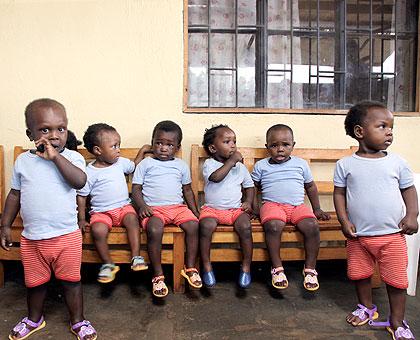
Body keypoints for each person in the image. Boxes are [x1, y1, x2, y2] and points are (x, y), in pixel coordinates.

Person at [0, 98, 97, 340]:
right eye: (45, 129)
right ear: (30, 133)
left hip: (66, 236)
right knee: (34, 283)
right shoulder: (24, 161)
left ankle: (78, 321)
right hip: (33, 238)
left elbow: (80, 181)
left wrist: (55, 157)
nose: (54, 135)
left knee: (71, 282)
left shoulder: (72, 158)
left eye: (60, 129)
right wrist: (5, 224)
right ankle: (34, 319)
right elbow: (14, 194)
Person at [333, 101, 418, 340]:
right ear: (360, 132)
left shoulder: (397, 162)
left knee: (397, 280)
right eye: (382, 126)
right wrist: (343, 220)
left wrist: (412, 215)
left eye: (391, 127)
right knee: (360, 274)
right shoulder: (345, 164)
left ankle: (397, 321)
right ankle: (367, 308)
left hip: (392, 236)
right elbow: (339, 194)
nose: (389, 131)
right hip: (358, 236)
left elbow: (409, 190)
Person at [251, 124, 330, 291]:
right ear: (267, 147)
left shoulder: (300, 164)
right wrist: (254, 208)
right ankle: (277, 268)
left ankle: (310, 269)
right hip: (272, 206)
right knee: (273, 226)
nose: (280, 149)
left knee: (312, 225)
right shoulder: (261, 166)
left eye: (285, 145)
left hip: (296, 206)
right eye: (274, 145)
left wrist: (317, 209)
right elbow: (252, 188)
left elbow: (310, 187)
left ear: (293, 145)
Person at [131, 120, 202, 297]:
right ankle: (157, 275)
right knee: (154, 229)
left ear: (177, 148)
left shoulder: (181, 165)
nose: (163, 148)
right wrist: (142, 207)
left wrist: (194, 211)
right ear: (153, 142)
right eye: (159, 143)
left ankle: (190, 267)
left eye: (169, 145)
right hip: (154, 209)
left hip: (178, 208)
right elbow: (136, 189)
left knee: (193, 225)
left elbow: (187, 190)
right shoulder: (145, 164)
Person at [77, 123, 148, 284]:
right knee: (97, 230)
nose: (118, 150)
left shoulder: (121, 162)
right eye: (114, 146)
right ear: (97, 150)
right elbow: (82, 196)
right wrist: (82, 218)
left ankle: (136, 257)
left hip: (123, 208)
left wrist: (142, 152)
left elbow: (134, 166)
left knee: (132, 220)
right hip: (101, 213)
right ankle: (108, 264)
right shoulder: (89, 173)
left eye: (119, 145)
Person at [199, 124, 254, 289]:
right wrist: (231, 161)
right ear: (213, 148)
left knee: (245, 227)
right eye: (227, 141)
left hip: (235, 210)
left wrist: (249, 203)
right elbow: (215, 178)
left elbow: (250, 186)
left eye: (234, 141)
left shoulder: (241, 168)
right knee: (205, 226)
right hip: (212, 210)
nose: (233, 145)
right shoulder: (209, 164)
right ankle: (207, 266)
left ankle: (246, 267)